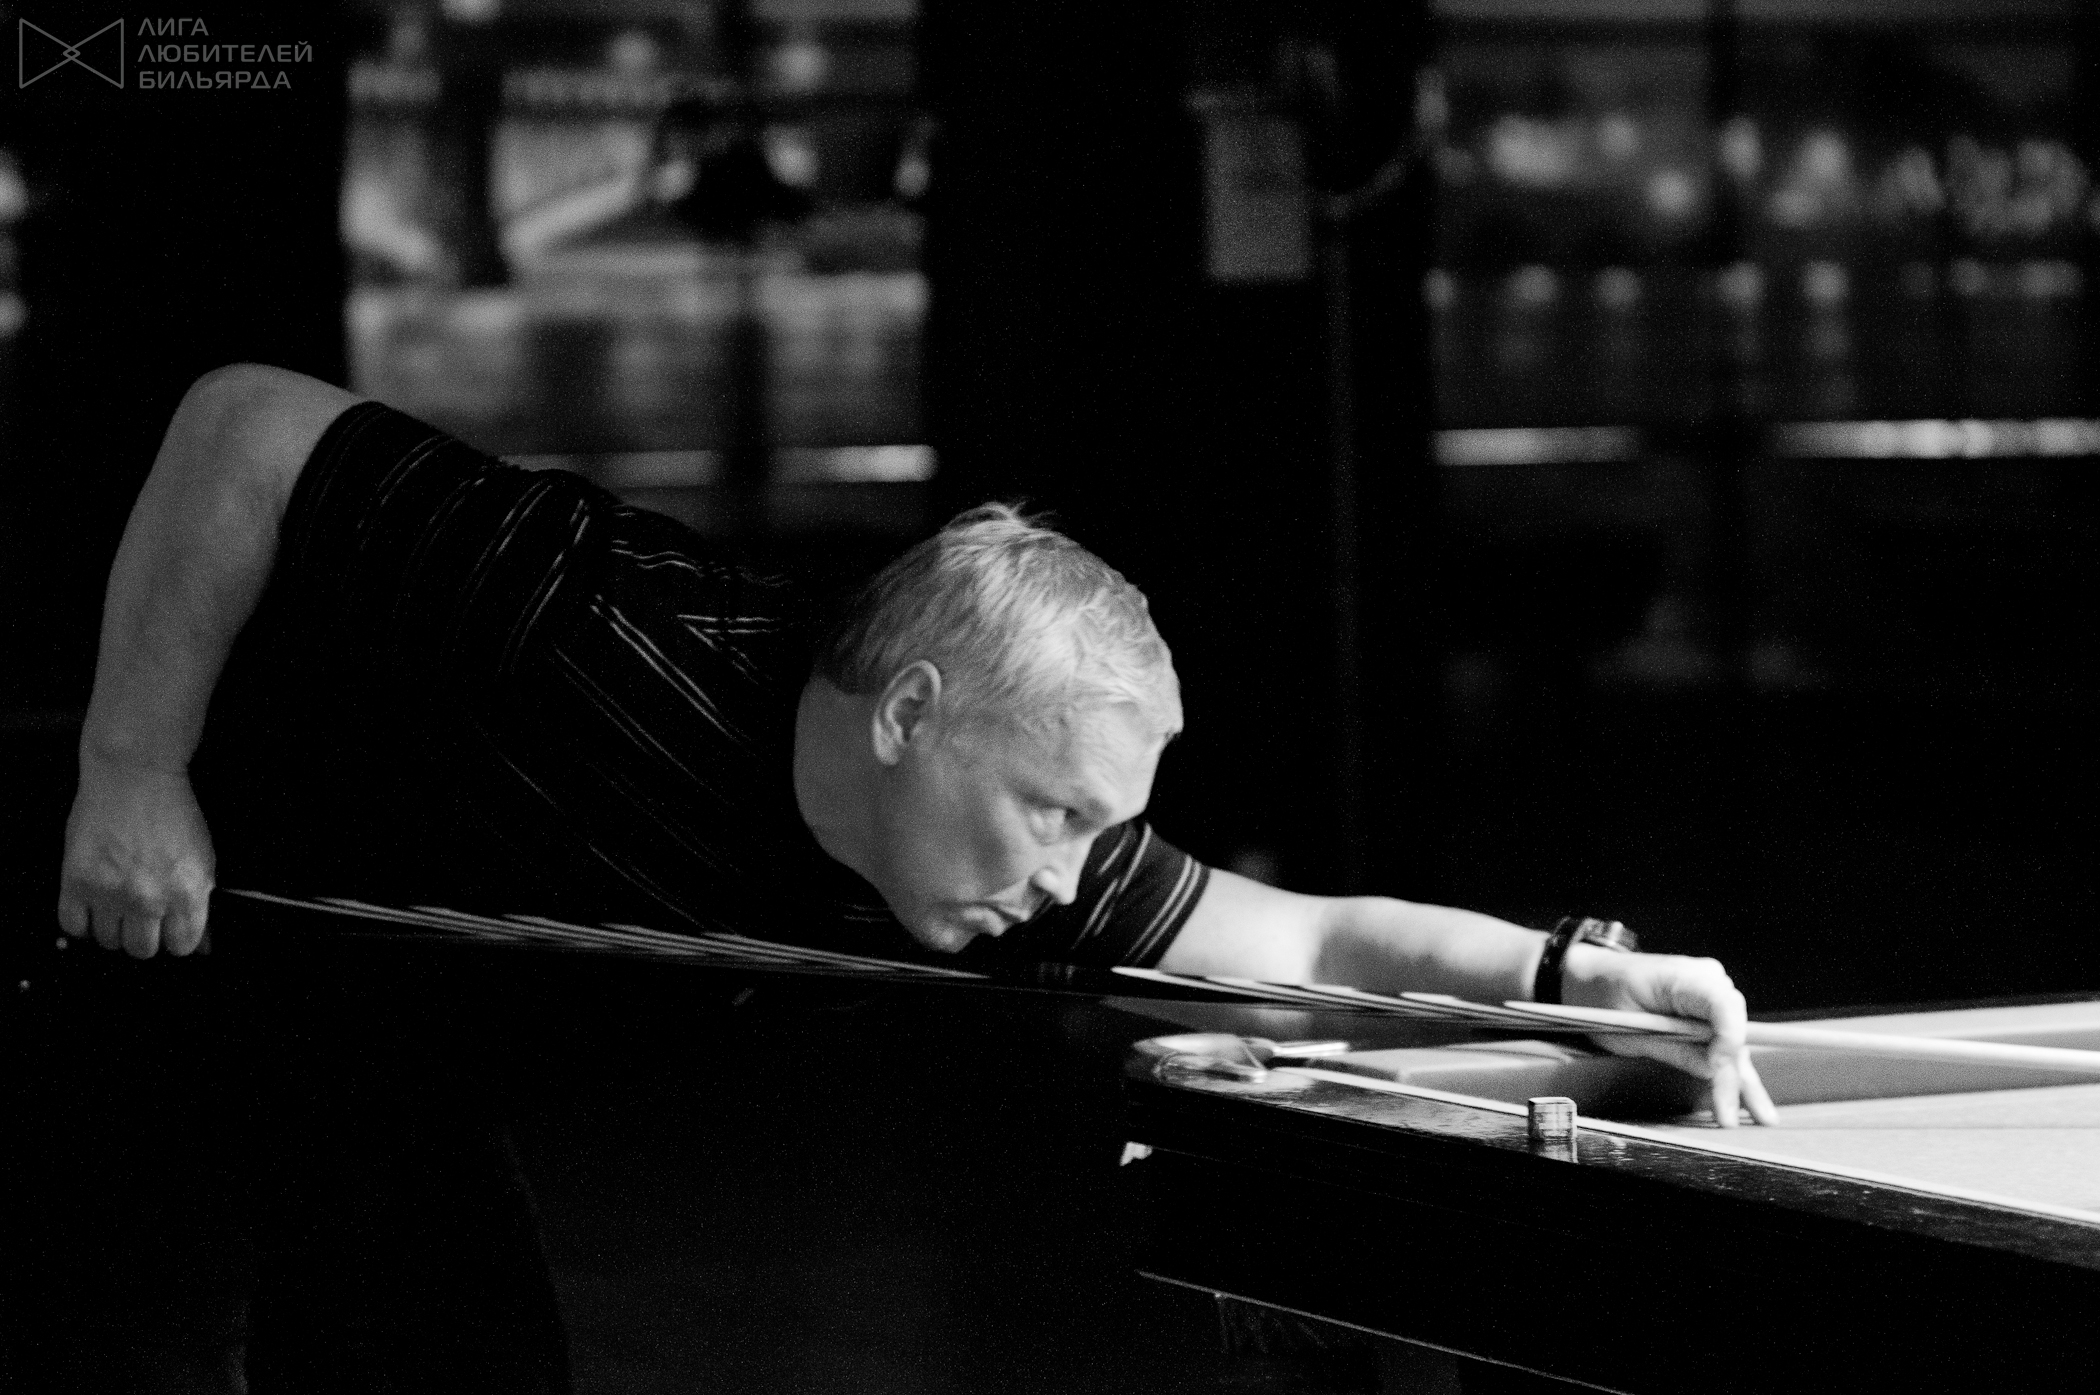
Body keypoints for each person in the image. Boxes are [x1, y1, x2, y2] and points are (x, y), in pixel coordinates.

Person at [59, 362, 1775, 1125]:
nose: (1072, 878)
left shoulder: (992, 858)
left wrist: (1580, 977)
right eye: (1056, 813)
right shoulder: (591, 617)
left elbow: (1316, 951)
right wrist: (133, 769)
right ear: (909, 715)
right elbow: (245, 425)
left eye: (1095, 831)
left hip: (403, 1077)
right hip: (145, 982)